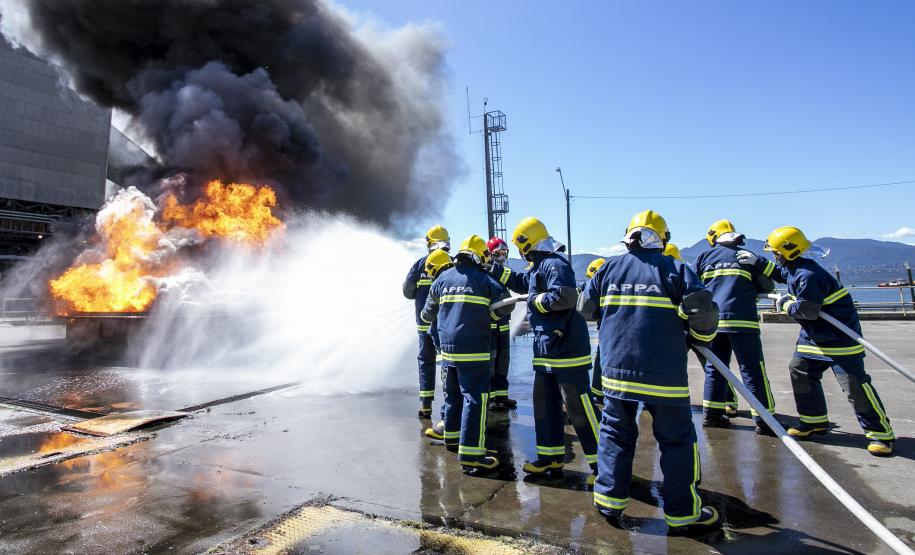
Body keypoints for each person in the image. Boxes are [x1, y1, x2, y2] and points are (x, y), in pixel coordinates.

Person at [578, 209, 720, 532]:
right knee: (677, 441)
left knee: (614, 435)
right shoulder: (676, 270)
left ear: (628, 237)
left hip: (615, 375)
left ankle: (609, 502)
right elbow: (704, 317)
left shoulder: (607, 269)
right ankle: (683, 514)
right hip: (664, 377)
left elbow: (585, 309)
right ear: (663, 240)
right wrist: (696, 335)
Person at [738, 226, 895, 456]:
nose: (775, 256)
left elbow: (807, 311)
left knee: (854, 384)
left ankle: (880, 434)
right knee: (800, 369)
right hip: (813, 336)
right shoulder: (796, 268)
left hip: (838, 336)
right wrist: (758, 262)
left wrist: (786, 303)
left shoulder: (808, 275)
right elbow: (782, 275)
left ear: (788, 251)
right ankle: (813, 421)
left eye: (776, 253)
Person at [492, 217, 600, 484]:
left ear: (526, 243)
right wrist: (494, 269)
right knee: (545, 404)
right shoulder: (539, 265)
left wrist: (535, 301)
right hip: (547, 349)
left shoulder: (554, 263)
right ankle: (550, 458)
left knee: (579, 408)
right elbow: (521, 281)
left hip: (566, 350)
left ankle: (604, 465)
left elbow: (565, 297)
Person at [420, 235, 512, 474]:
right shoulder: (483, 279)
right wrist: (488, 316)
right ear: (481, 256)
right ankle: (471, 455)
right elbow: (507, 304)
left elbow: (427, 315)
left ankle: (451, 438)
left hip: (448, 350)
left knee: (452, 395)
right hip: (474, 348)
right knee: (475, 398)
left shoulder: (442, 278)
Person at [694, 220, 778, 435]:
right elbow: (767, 285)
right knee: (752, 369)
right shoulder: (746, 256)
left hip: (714, 323)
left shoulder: (704, 257)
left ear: (713, 237)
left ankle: (712, 415)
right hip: (743, 322)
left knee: (715, 368)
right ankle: (764, 419)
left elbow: (694, 286)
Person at [403, 225, 451, 419]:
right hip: (445, 325)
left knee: (426, 362)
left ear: (429, 243)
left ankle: (425, 406)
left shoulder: (419, 265)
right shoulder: (452, 263)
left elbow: (407, 292)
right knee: (448, 364)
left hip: (424, 324)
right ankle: (450, 407)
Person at [486, 237, 518, 410]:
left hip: (503, 325)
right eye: (498, 253)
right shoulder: (485, 273)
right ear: (490, 254)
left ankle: (502, 395)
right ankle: (491, 399)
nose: (502, 257)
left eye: (504, 253)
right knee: (490, 362)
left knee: (503, 361)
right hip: (490, 326)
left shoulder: (504, 272)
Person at [581, 258, 607, 405]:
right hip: (607, 330)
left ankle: (599, 392)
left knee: (602, 360)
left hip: (607, 331)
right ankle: (599, 391)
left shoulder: (599, 287)